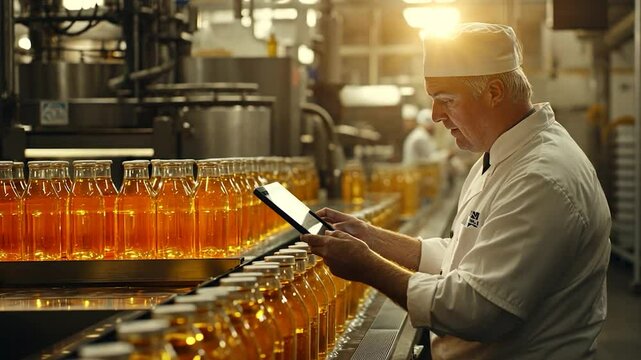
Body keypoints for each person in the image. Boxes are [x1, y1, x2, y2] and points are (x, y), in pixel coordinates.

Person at [302, 22, 610, 359]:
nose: (435, 116)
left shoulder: (541, 177)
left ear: (494, 92)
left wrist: (367, 266)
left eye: (445, 100)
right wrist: (372, 238)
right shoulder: (499, 156)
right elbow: (467, 254)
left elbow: (476, 310)